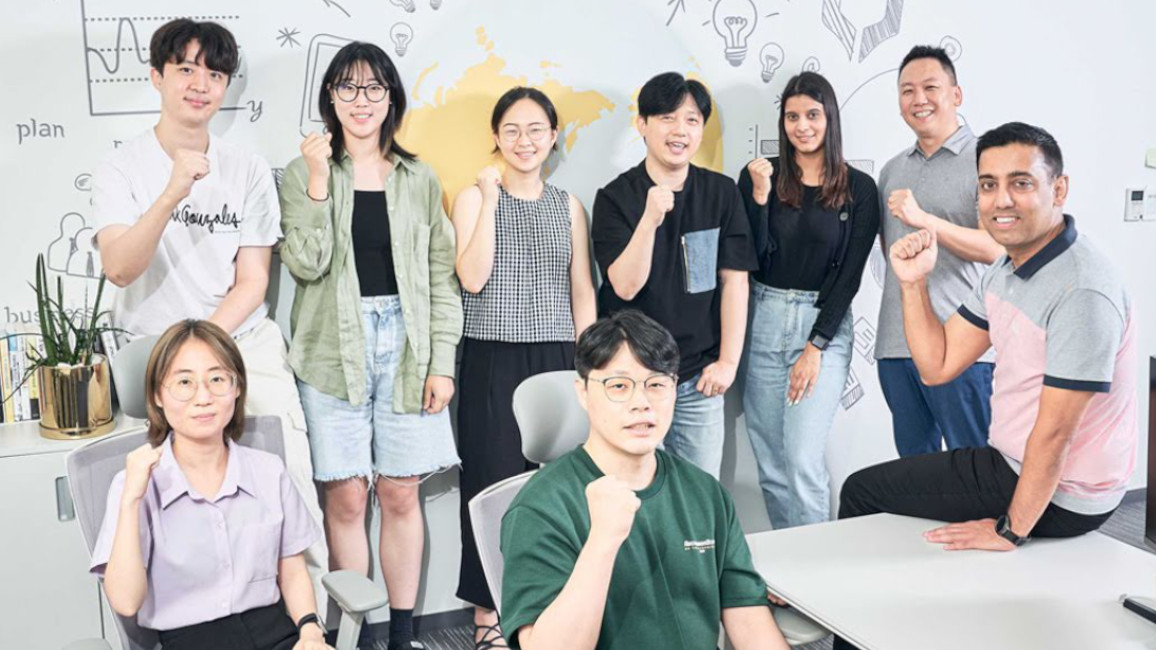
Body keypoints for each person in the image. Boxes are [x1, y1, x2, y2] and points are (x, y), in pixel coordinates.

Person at [836, 124, 1137, 650]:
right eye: (988, 184)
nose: (1001, 200)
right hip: (1015, 461)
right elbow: (938, 364)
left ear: (1059, 189)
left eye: (1021, 183)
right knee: (889, 499)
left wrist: (1009, 529)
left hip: (1066, 492)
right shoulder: (1007, 267)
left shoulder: (1083, 287)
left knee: (862, 494)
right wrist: (912, 283)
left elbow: (1056, 434)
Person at [90, 17, 327, 612]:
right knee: (162, 499)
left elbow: (254, 279)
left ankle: (312, 626)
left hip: (240, 340)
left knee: (291, 475)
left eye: (215, 74)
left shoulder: (246, 168)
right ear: (157, 76)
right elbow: (119, 268)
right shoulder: (122, 168)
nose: (201, 85)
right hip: (155, 352)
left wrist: (207, 350)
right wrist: (173, 189)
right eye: (186, 69)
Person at [278, 41, 462, 650]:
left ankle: (403, 638)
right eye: (348, 88)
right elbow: (306, 264)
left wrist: (442, 363)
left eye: (374, 88)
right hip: (331, 351)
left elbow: (440, 277)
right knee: (348, 499)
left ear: (391, 99)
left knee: (400, 494)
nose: (362, 101)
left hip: (409, 348)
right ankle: (353, 637)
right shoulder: (302, 173)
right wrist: (316, 182)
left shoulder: (419, 177)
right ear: (330, 97)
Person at [500, 310, 789, 650]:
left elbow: (749, 620)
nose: (641, 403)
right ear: (583, 393)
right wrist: (602, 541)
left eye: (656, 385)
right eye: (619, 386)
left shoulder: (705, 493)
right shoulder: (541, 507)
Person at [450, 86, 597, 649]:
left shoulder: (569, 206)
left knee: (558, 489)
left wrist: (588, 366)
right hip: (492, 356)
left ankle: (553, 607)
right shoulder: (473, 198)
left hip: (558, 359)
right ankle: (487, 614)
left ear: (553, 136)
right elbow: (472, 278)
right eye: (511, 130)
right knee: (489, 484)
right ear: (495, 137)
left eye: (536, 129)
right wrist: (490, 199)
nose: (524, 140)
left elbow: (581, 289)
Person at [90, 320, 330, 650]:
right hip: (189, 640)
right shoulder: (133, 484)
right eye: (184, 382)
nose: (203, 397)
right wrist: (131, 500)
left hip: (274, 632)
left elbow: (292, 568)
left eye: (217, 379)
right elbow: (126, 602)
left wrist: (310, 631)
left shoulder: (269, 471)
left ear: (237, 387)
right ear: (158, 395)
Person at [591, 72, 757, 478]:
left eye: (691, 120)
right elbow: (624, 286)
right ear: (642, 124)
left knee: (699, 492)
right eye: (667, 118)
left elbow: (735, 281)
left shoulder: (721, 193)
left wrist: (728, 362)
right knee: (635, 491)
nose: (680, 130)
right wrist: (649, 219)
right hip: (631, 378)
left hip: (698, 379)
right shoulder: (615, 197)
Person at [737, 72, 879, 529]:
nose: (802, 126)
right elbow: (751, 259)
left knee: (801, 461)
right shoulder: (761, 174)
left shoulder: (859, 188)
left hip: (822, 325)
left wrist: (815, 346)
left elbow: (850, 276)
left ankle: (818, 565)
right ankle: (787, 561)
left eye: (813, 115)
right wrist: (760, 199)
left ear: (829, 118)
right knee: (771, 464)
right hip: (763, 317)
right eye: (792, 116)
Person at [875, 45, 1005, 457]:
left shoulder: (987, 160)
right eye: (907, 91)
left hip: (962, 344)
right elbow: (891, 253)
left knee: (974, 465)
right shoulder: (892, 170)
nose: (919, 99)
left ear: (956, 94)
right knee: (915, 471)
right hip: (896, 345)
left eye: (930, 87)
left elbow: (997, 248)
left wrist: (925, 219)